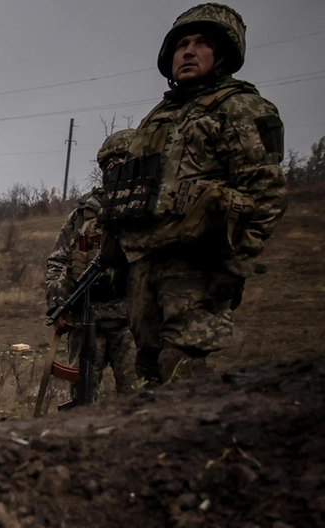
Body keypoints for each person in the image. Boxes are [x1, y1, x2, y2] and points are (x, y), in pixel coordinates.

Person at [102, 2, 286, 383]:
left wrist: (236, 267)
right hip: (145, 262)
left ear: (222, 53)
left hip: (196, 261)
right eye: (181, 44)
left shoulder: (239, 107)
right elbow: (133, 194)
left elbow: (266, 192)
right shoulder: (159, 116)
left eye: (201, 43)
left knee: (180, 366)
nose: (188, 52)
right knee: (148, 368)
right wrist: (118, 258)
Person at [43, 131, 138, 398]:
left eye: (124, 160)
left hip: (130, 320)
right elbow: (57, 260)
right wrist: (57, 305)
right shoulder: (83, 214)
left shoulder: (144, 210)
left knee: (138, 397)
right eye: (111, 162)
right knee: (82, 397)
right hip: (87, 319)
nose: (117, 168)